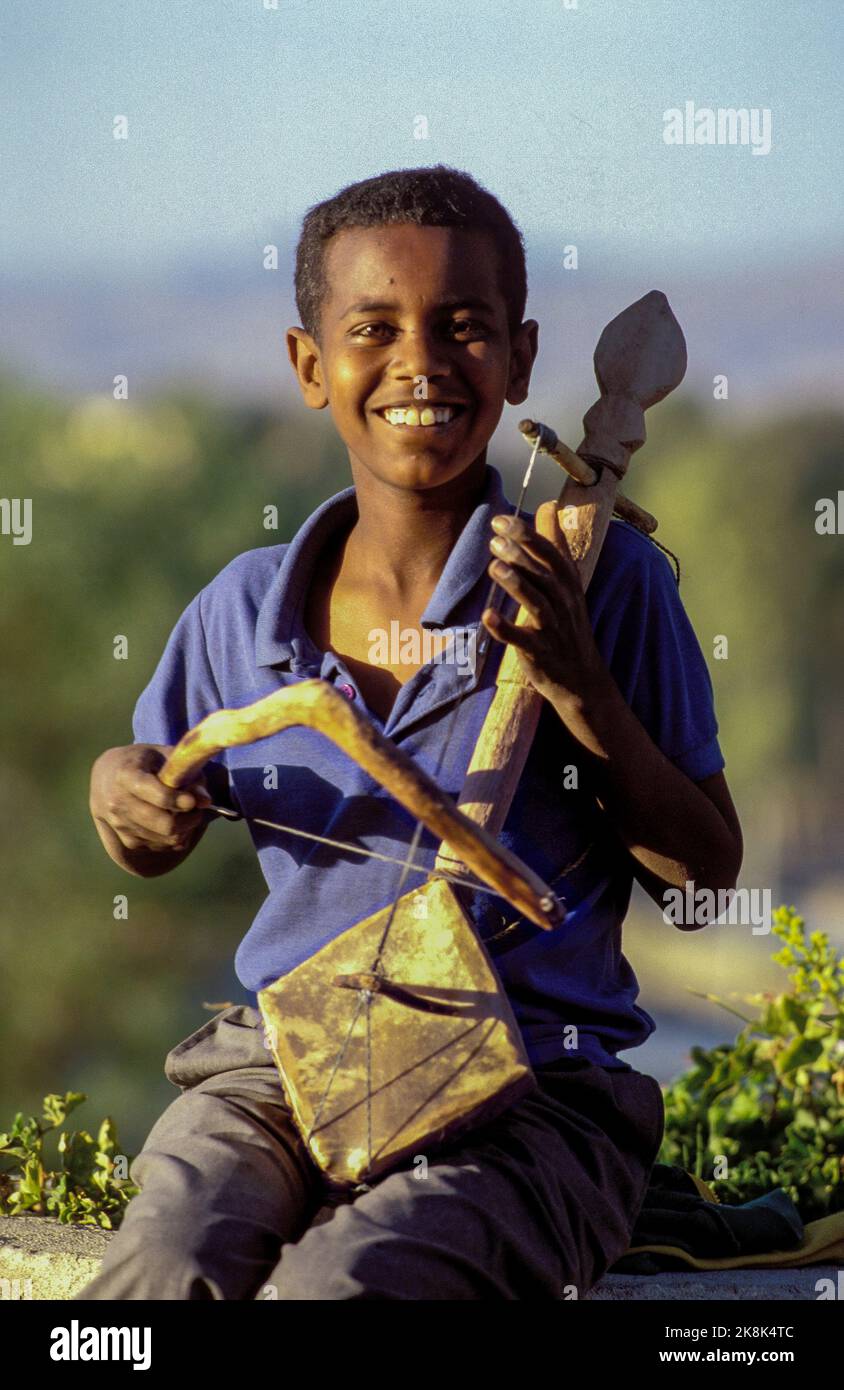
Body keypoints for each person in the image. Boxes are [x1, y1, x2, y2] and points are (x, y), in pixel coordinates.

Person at [75, 165, 743, 1301]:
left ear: (521, 360)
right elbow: (145, 822)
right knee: (166, 1262)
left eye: (464, 327)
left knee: (346, 1284)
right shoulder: (242, 610)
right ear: (308, 366)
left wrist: (581, 690)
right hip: (285, 1066)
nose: (421, 363)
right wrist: (119, 794)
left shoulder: (604, 586)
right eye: (372, 328)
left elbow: (706, 883)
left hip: (533, 1098)